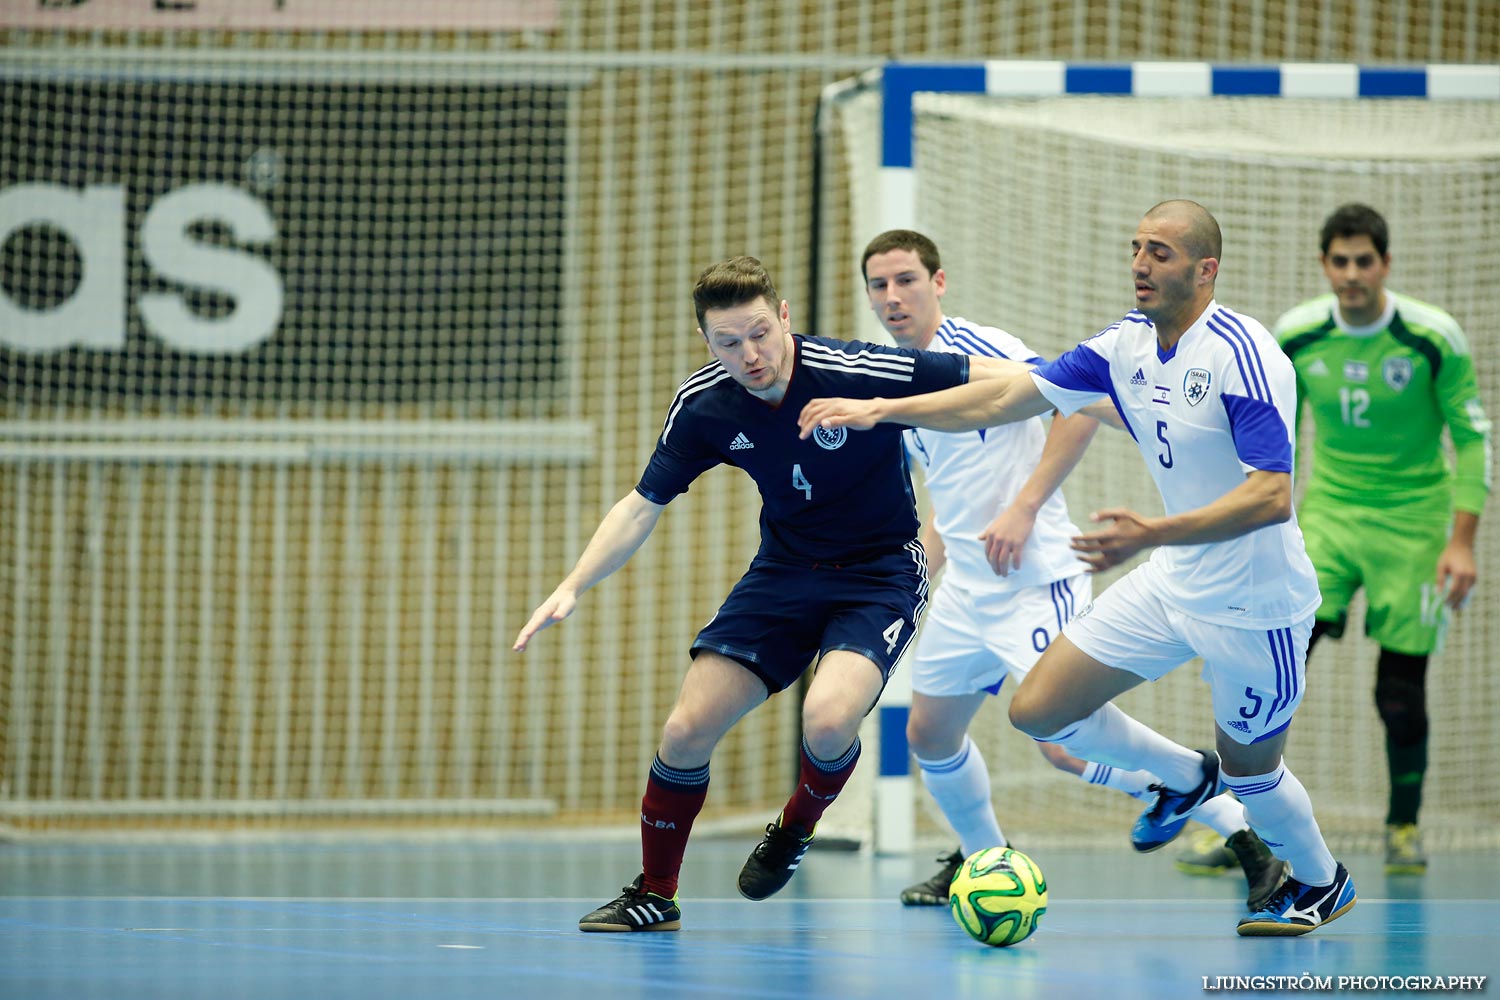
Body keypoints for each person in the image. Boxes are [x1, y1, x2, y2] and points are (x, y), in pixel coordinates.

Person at [799, 200, 1355, 937]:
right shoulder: (1122, 344)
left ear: (1205, 269)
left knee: (1251, 769)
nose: (1139, 263)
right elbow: (1009, 394)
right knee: (1036, 712)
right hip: (1165, 582)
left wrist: (1139, 529)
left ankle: (1322, 880)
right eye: (1136, 248)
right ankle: (1104, 811)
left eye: (1159, 252)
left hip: (1256, 603)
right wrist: (878, 412)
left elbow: (1272, 495)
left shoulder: (1242, 354)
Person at [513, 255, 990, 933]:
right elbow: (641, 505)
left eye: (761, 333)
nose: (751, 354)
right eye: (729, 342)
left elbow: (999, 382)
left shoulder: (856, 369)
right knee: (684, 731)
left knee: (827, 721)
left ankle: (796, 825)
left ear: (785, 317)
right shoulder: (706, 404)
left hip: (880, 572)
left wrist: (1073, 392)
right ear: (707, 343)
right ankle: (656, 892)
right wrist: (571, 585)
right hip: (784, 572)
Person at [1267, 203, 1489, 875]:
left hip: (1415, 526)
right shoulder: (1297, 335)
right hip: (1330, 516)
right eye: (1340, 260)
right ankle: (1247, 821)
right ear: (1324, 265)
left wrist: (1462, 543)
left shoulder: (1432, 336)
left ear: (1386, 265)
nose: (1352, 273)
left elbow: (1474, 441)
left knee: (1398, 692)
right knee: (1280, 663)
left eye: (1365, 261)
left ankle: (1402, 825)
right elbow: (1279, 438)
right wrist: (1271, 528)